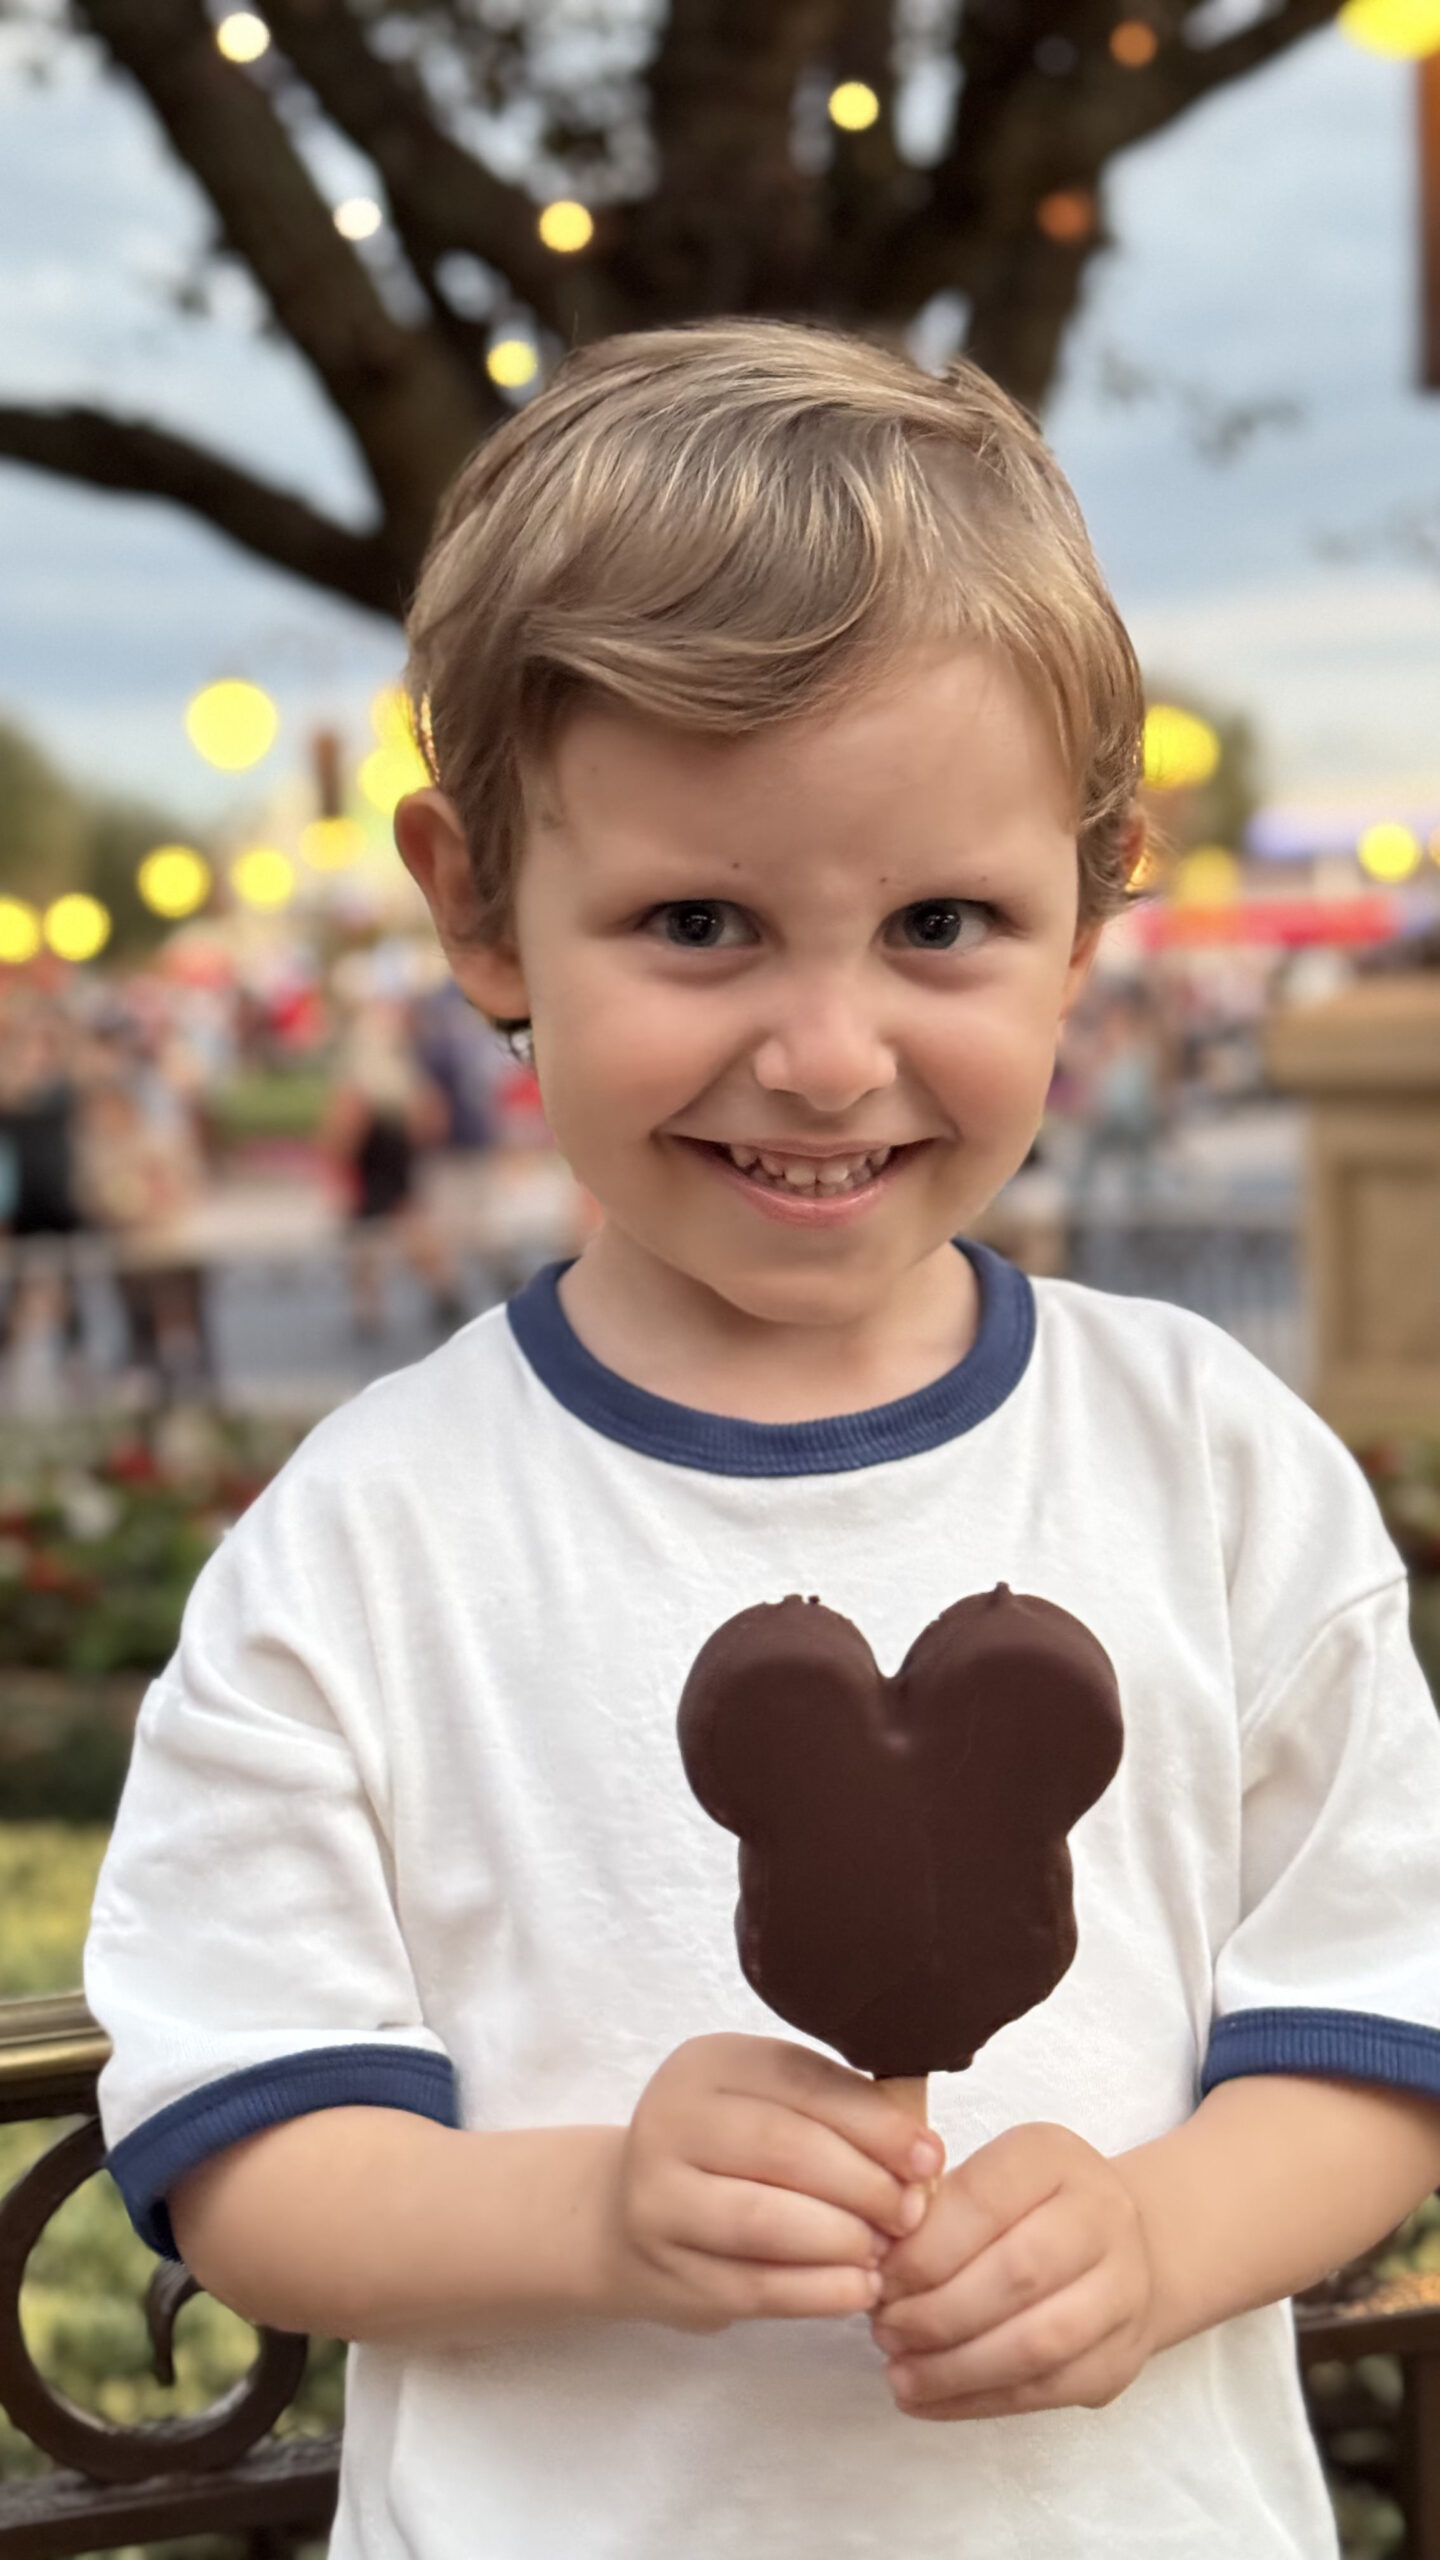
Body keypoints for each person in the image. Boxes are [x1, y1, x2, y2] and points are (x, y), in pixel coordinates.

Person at [84, 322, 1440, 2560]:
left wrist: (1168, 2232)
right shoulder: (374, 1544)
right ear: (476, 897)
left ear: (1098, 902)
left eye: (942, 924)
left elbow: (1378, 2021)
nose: (826, 1051)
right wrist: (592, 2211)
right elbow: (243, 2144)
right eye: (697, 922)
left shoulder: (1211, 1466)